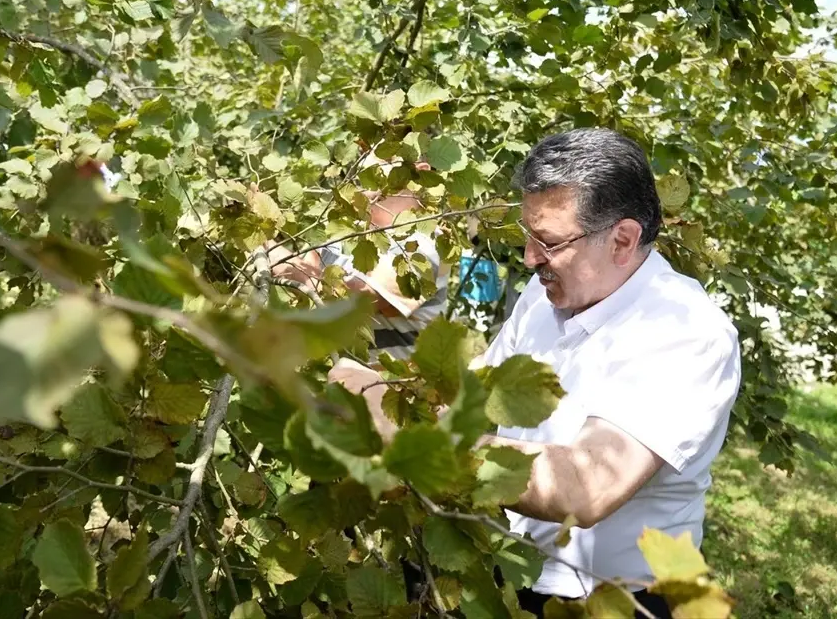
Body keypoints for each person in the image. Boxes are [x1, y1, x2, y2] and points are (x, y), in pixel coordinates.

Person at [328, 128, 741, 618]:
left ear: (623, 240)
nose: (528, 260)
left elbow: (585, 486)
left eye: (548, 242)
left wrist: (409, 434)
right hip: (512, 572)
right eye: (528, 236)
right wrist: (395, 393)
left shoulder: (685, 330)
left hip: (618, 601)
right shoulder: (547, 297)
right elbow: (480, 392)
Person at [270, 154, 449, 360]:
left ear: (418, 174)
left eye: (382, 158)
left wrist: (266, 247)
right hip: (337, 384)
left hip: (393, 387)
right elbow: (303, 283)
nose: (361, 167)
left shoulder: (427, 244)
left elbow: (346, 301)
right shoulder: (343, 231)